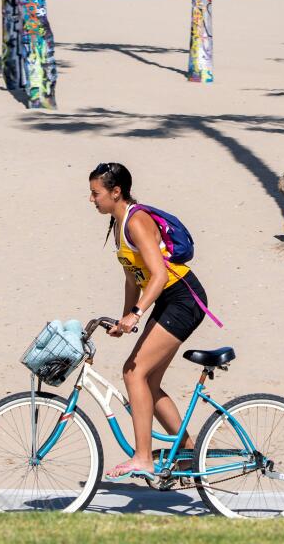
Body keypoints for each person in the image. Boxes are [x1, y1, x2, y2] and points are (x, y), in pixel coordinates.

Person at [88, 162, 210, 478]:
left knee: (133, 372)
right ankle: (188, 452)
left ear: (116, 192)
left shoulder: (136, 221)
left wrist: (138, 314)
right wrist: (125, 317)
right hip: (167, 300)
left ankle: (143, 457)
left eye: (96, 193)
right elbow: (133, 279)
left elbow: (157, 276)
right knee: (148, 383)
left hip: (182, 298)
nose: (92, 199)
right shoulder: (118, 225)